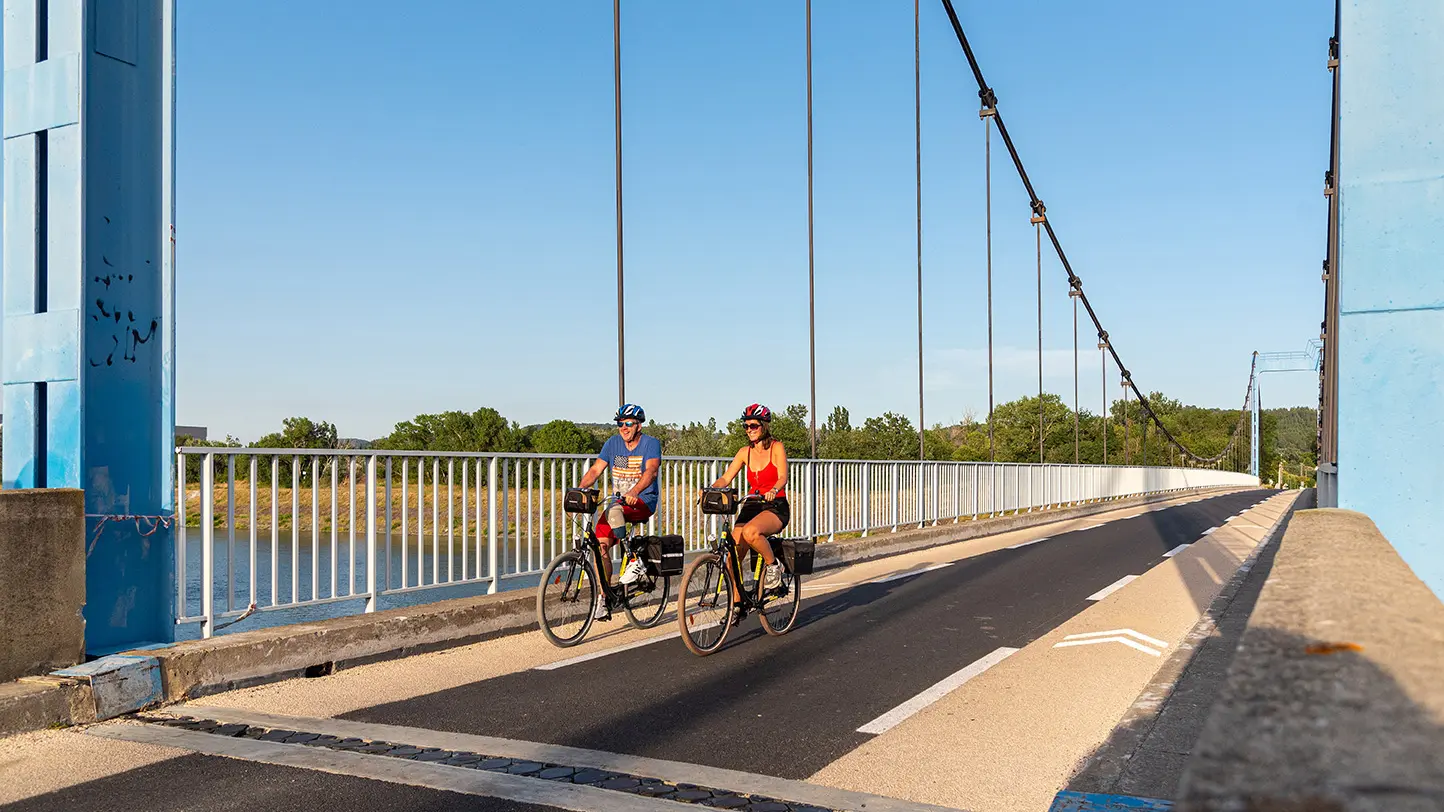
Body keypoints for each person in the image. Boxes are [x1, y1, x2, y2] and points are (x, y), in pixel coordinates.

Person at [575, 403, 662, 619]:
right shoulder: (613, 444)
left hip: (643, 501)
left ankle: (634, 560)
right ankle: (604, 599)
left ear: (639, 425)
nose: (624, 427)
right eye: (620, 424)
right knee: (600, 545)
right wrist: (578, 490)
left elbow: (651, 472)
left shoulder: (651, 444)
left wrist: (634, 491)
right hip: (618, 504)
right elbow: (596, 469)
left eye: (629, 423)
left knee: (614, 512)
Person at [707, 403, 790, 592]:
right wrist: (709, 490)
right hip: (752, 505)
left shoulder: (776, 447)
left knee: (750, 532)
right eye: (746, 426)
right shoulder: (745, 452)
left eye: (753, 426)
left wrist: (774, 489)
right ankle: (737, 605)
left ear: (764, 426)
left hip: (774, 504)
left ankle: (773, 566)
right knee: (731, 558)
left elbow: (783, 477)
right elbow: (726, 478)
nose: (749, 430)